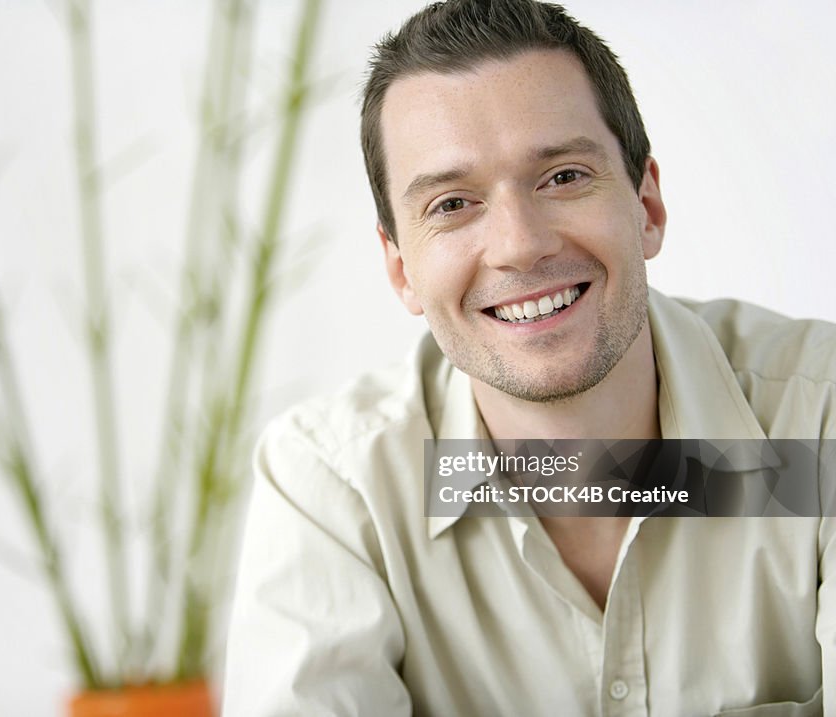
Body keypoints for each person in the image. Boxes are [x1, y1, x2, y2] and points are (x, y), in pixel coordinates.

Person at [222, 0, 836, 714]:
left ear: (648, 206)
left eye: (563, 177)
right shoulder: (337, 487)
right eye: (452, 204)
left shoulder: (817, 417)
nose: (520, 244)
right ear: (400, 270)